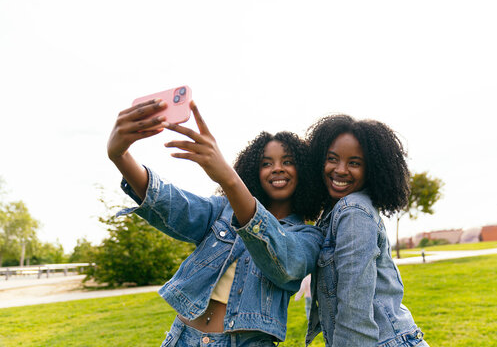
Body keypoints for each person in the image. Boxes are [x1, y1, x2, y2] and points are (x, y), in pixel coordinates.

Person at [107, 98, 323, 346]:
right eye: (266, 163)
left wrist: (229, 180)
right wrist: (120, 156)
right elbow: (173, 204)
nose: (277, 168)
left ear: (304, 171)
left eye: (287, 162)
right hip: (182, 338)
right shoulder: (222, 210)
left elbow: (285, 264)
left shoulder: (309, 237)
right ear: (253, 170)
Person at [304, 115, 429, 347]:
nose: (340, 170)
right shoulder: (335, 212)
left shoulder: (353, 211)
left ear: (372, 169)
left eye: (354, 163)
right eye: (332, 159)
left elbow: (355, 311)